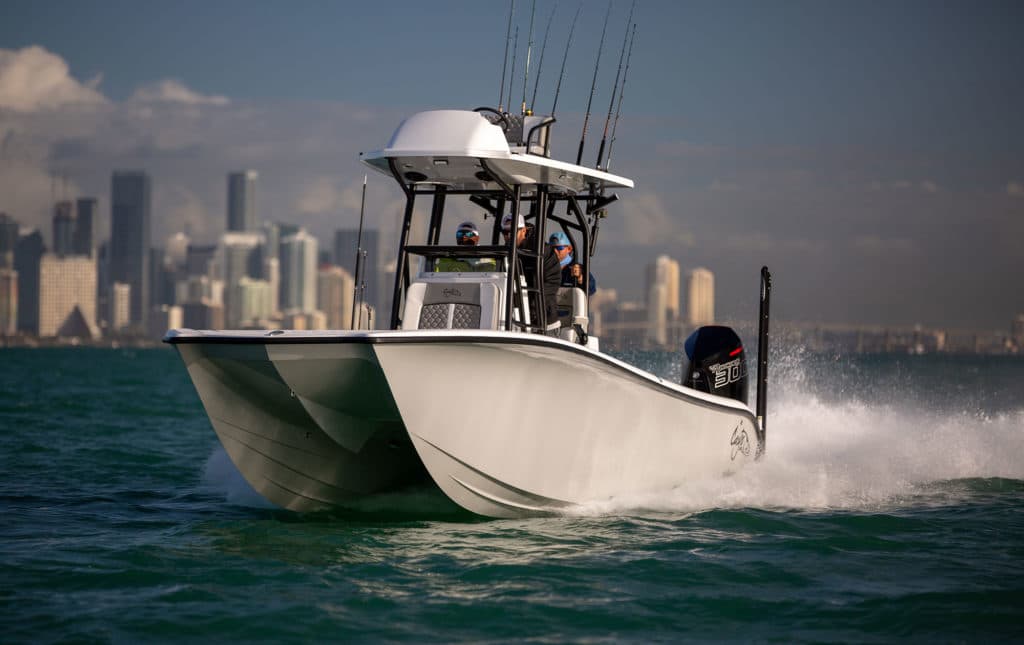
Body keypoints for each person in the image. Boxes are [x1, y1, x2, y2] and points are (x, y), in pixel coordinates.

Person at [501, 212, 561, 327]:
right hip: (514, 316)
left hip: (542, 320)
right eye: (505, 232)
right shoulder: (505, 252)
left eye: (512, 231)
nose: (508, 235)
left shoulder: (543, 251)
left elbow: (553, 281)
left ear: (523, 230)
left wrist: (532, 304)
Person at [548, 231, 597, 296]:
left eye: (559, 248)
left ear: (569, 249)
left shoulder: (579, 269)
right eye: (552, 248)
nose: (555, 251)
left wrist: (581, 279)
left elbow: (591, 289)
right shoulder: (544, 267)